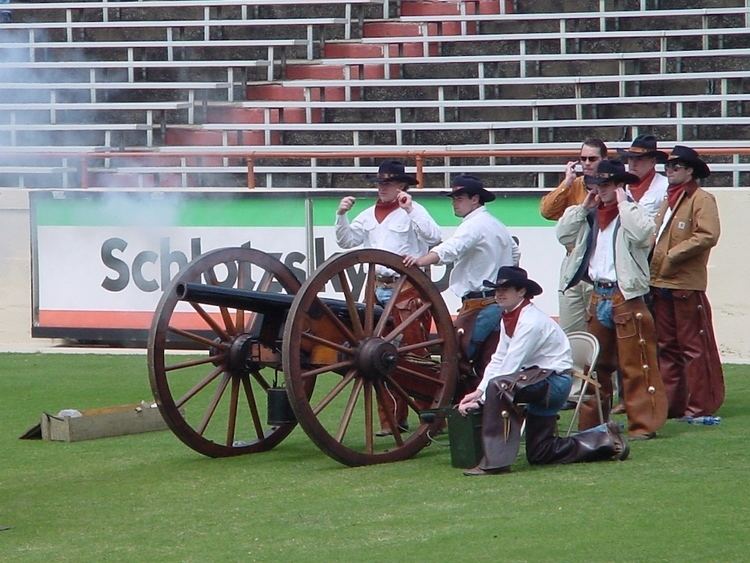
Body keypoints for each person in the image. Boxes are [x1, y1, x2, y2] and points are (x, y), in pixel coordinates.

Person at [457, 266, 630, 476]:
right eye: (496, 290)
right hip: (540, 380)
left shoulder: (529, 321)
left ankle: (494, 462)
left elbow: (510, 364)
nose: (499, 294)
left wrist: (483, 399)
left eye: (505, 289)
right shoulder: (509, 316)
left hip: (554, 382)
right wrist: (479, 391)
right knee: (541, 453)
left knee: (500, 386)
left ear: (521, 292)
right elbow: (499, 358)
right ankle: (604, 438)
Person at [557, 159, 668, 440]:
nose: (598, 191)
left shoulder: (633, 212)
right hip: (599, 293)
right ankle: (592, 425)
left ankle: (643, 425)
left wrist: (624, 202)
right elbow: (563, 234)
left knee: (635, 365)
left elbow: (643, 234)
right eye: (595, 185)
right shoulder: (590, 215)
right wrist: (583, 207)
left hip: (625, 296)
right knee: (595, 367)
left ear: (619, 185)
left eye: (604, 185)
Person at [335, 159, 442, 436]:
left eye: (388, 183)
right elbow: (346, 241)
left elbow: (434, 236)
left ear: (402, 186)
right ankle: (391, 419)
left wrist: (410, 208)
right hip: (377, 285)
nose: (382, 188)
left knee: (415, 351)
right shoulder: (368, 214)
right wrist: (341, 215)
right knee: (377, 350)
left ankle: (430, 414)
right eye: (380, 183)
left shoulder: (414, 210)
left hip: (407, 287)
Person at [403, 174, 519, 381]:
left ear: (475, 199)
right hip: (497, 304)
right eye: (454, 199)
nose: (454, 204)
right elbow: (515, 254)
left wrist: (421, 260)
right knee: (489, 362)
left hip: (480, 306)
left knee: (454, 358)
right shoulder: (496, 224)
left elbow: (451, 248)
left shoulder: (474, 225)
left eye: (459, 198)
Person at [650, 145, 724, 420]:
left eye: (676, 167)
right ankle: (674, 403)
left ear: (690, 170)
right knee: (667, 346)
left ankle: (698, 405)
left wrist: (671, 256)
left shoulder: (701, 199)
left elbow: (708, 234)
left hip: (684, 282)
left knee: (692, 347)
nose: (669, 171)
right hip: (662, 281)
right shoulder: (669, 199)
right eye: (668, 167)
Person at [540, 138, 607, 405]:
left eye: (592, 159)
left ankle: (602, 389)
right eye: (584, 159)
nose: (587, 164)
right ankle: (575, 389)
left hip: (600, 268)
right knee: (570, 331)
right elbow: (546, 211)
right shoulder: (575, 186)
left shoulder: (612, 185)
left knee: (602, 333)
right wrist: (566, 182)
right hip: (573, 265)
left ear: (603, 158)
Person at [617, 134, 669, 219]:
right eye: (630, 158)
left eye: (639, 159)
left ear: (653, 162)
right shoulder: (620, 186)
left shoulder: (665, 186)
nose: (633, 163)